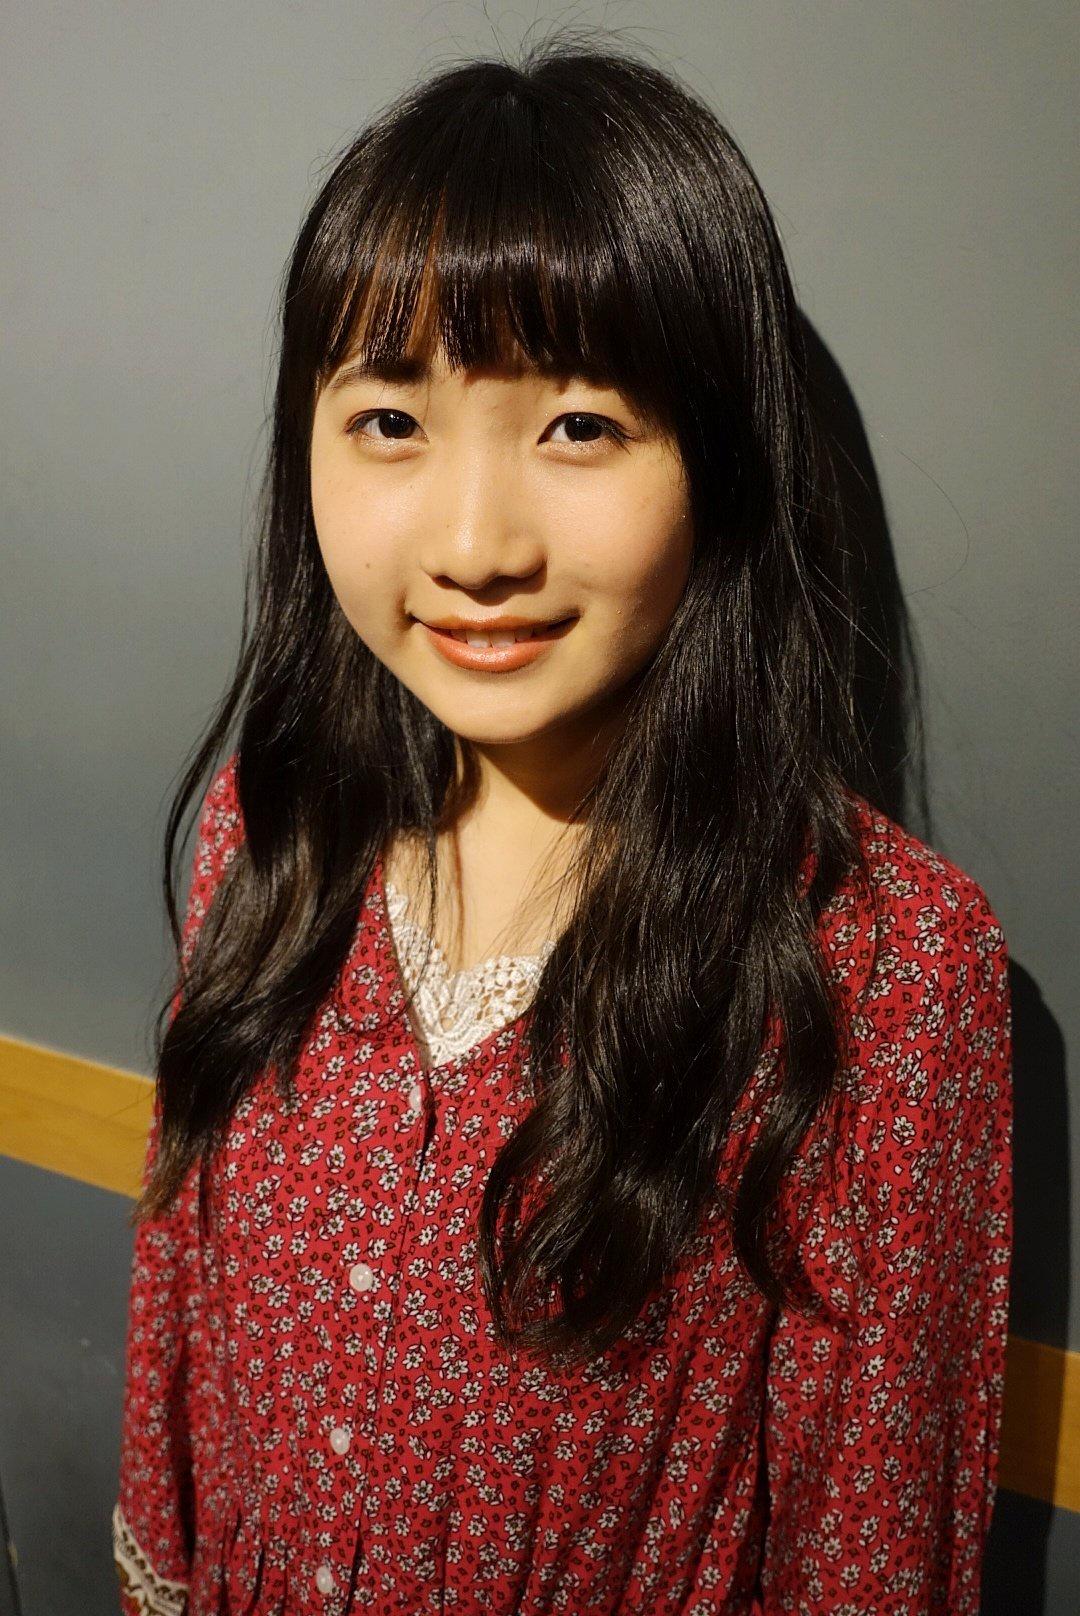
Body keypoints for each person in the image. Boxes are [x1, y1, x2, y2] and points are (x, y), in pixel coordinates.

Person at [112, 34, 1013, 1616]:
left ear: (717, 460)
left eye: (581, 426)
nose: (476, 544)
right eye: (390, 422)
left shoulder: (881, 969)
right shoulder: (271, 833)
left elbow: (871, 1550)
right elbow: (178, 1331)